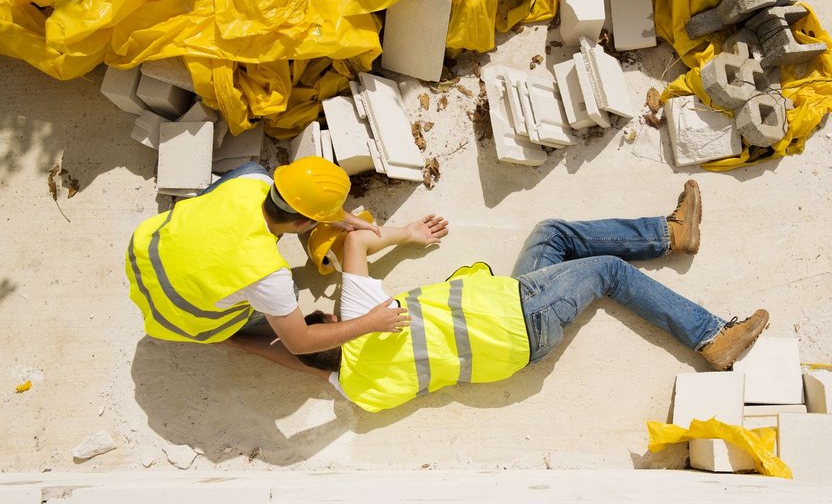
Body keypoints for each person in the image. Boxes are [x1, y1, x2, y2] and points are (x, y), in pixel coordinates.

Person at [282, 180, 769, 412]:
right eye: (323, 313)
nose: (327, 307)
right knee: (608, 272)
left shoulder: (359, 391)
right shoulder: (362, 314)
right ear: (331, 322)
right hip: (521, 313)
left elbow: (296, 357)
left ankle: (671, 234)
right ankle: (711, 337)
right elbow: (354, 240)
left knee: (551, 234)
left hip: (515, 331)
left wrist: (229, 342)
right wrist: (407, 232)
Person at [124, 156, 408, 358]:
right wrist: (369, 323)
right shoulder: (267, 274)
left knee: (248, 166)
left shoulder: (251, 181)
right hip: (178, 317)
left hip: (143, 255)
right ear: (302, 224)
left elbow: (293, 199)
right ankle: (225, 334)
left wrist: (340, 218)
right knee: (289, 294)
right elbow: (300, 342)